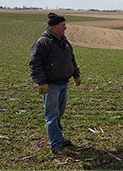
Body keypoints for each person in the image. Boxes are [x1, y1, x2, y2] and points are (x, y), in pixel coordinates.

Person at [29, 12, 81, 156]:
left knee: (59, 114)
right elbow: (35, 64)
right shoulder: (43, 42)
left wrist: (75, 74)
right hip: (50, 85)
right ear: (54, 26)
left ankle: (58, 138)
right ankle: (56, 146)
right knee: (52, 116)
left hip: (63, 83)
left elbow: (71, 58)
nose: (65, 28)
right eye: (63, 25)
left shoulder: (63, 40)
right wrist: (41, 82)